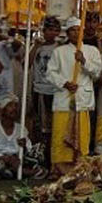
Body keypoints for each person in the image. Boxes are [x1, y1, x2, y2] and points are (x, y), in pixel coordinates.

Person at [47, 17, 101, 175]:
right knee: (60, 135)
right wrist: (64, 83)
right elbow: (50, 73)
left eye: (79, 29)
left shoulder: (92, 51)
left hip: (82, 100)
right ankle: (59, 169)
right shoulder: (59, 52)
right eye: (73, 30)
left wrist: (83, 61)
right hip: (64, 99)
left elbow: (97, 73)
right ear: (68, 33)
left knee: (82, 136)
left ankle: (80, 169)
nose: (76, 33)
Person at [0, 96, 45, 179]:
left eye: (16, 106)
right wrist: (5, 158)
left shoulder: (21, 128)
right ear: (3, 110)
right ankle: (21, 172)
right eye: (10, 106)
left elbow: (29, 149)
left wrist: (24, 147)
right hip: (0, 159)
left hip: (17, 160)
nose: (14, 109)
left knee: (39, 148)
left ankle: (10, 172)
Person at [28, 16, 61, 161]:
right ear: (44, 30)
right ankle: (41, 155)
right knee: (41, 126)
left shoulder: (60, 48)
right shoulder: (37, 47)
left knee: (55, 125)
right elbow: (26, 64)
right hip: (40, 89)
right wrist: (35, 46)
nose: (52, 33)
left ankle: (52, 155)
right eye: (49, 30)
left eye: (55, 30)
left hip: (55, 90)